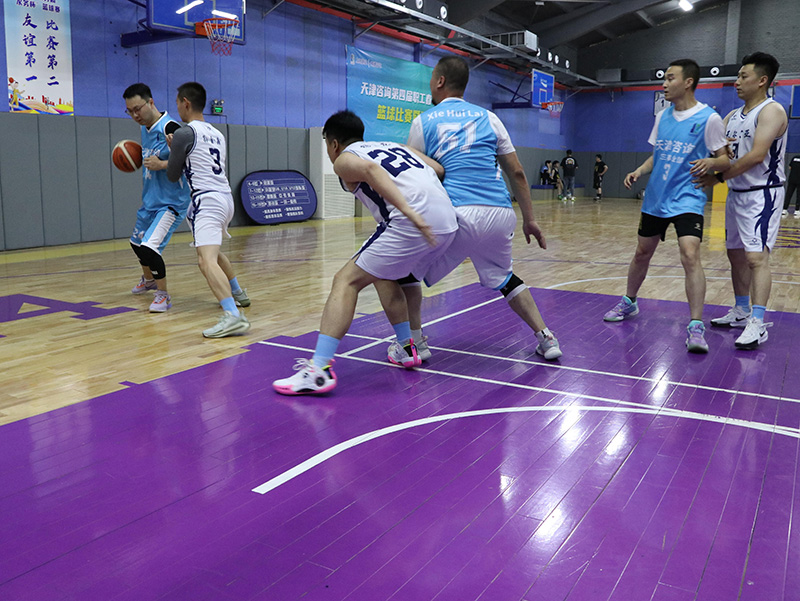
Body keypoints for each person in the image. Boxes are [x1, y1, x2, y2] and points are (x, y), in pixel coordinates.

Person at [272, 110, 457, 395]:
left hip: (412, 222)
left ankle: (318, 370)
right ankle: (407, 348)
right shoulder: (393, 147)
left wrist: (409, 211)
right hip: (448, 222)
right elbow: (439, 170)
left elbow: (371, 171)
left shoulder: (345, 159)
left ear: (333, 143)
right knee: (385, 275)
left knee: (345, 281)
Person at [402, 55, 562, 362]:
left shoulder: (424, 121)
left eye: (432, 78)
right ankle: (546, 337)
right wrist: (529, 219)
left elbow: (417, 173)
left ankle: (416, 344)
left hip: (458, 213)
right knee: (506, 278)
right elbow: (517, 173)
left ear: (440, 81)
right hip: (500, 212)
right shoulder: (490, 118)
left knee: (407, 274)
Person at [604, 58, 729, 353]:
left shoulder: (709, 118)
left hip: (688, 198)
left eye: (670, 78)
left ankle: (695, 325)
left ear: (688, 82)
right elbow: (657, 154)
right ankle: (629, 301)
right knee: (642, 253)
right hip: (656, 197)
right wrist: (639, 170)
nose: (664, 84)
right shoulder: (662, 116)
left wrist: (711, 163)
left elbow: (725, 159)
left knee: (690, 254)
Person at [694, 52, 787, 349]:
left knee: (756, 258)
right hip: (736, 193)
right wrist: (717, 155)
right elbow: (719, 151)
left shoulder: (772, 111)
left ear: (762, 80)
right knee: (735, 256)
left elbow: (757, 156)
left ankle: (757, 323)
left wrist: (718, 177)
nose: (737, 81)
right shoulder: (731, 117)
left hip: (762, 193)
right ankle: (742, 309)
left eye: (743, 76)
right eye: (737, 76)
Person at [166, 82, 251, 338]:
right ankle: (237, 292)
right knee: (212, 251)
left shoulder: (184, 133)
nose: (177, 108)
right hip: (225, 198)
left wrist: (172, 150)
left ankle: (232, 316)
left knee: (205, 261)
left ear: (186, 103)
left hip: (207, 200)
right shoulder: (217, 133)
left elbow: (172, 175)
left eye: (178, 103)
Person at [123, 83, 192, 313]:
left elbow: (190, 163)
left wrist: (162, 164)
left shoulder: (171, 128)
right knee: (136, 243)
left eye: (137, 109)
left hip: (172, 203)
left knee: (150, 248)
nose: (135, 115)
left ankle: (163, 296)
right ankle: (149, 280)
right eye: (130, 111)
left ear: (151, 102)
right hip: (151, 200)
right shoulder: (145, 128)